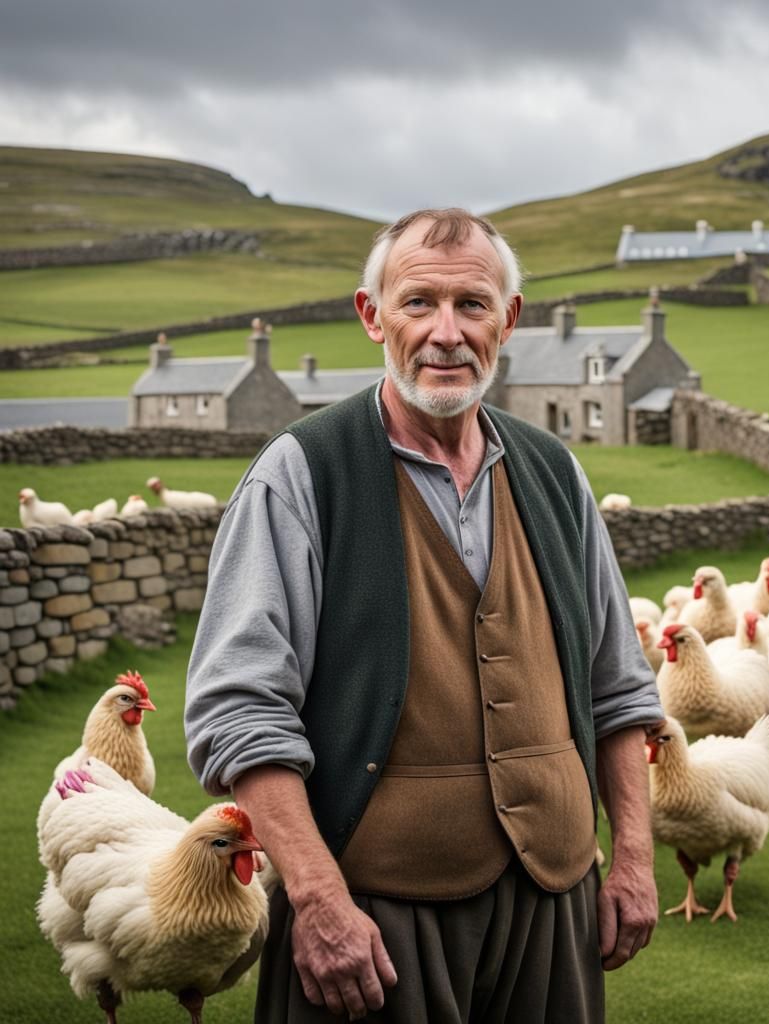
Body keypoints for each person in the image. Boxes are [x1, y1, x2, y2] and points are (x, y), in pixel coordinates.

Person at [185, 208, 663, 1023]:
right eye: (418, 303)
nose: (447, 334)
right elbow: (239, 710)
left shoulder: (554, 473)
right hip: (374, 916)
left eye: (473, 305)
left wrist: (633, 861)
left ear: (507, 321)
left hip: (552, 909)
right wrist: (319, 899)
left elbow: (618, 690)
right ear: (373, 316)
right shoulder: (303, 474)